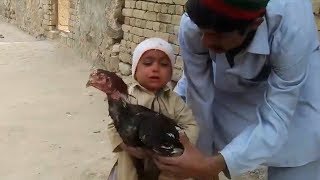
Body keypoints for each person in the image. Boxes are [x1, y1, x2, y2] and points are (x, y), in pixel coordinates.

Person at [155, 0, 320, 180]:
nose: (206, 41)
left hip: (295, 100)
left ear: (255, 24)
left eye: (217, 35)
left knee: (297, 153)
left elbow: (278, 114)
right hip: (228, 87)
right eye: (202, 32)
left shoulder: (292, 29)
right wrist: (200, 162)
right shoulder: (193, 25)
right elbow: (199, 96)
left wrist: (214, 165)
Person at [107, 37, 199, 180]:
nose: (155, 68)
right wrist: (127, 147)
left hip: (165, 162)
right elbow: (113, 126)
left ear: (171, 73)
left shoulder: (174, 101)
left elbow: (191, 125)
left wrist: (178, 147)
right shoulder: (127, 97)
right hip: (132, 159)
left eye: (163, 64)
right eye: (148, 63)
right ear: (135, 70)